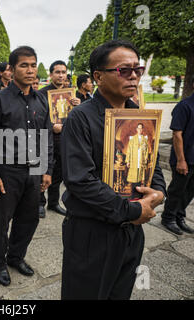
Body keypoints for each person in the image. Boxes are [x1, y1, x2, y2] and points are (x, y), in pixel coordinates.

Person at [60, 40, 166, 300]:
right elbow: (80, 180)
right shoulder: (80, 118)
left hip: (131, 230)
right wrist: (132, 210)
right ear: (98, 77)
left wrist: (158, 194)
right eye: (123, 70)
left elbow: (152, 167)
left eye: (137, 69)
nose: (133, 76)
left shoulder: (137, 115)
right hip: (92, 232)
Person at [0, 46, 53, 286]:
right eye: (24, 65)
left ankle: (16, 257)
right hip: (7, 170)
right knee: (2, 221)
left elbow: (46, 137)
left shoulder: (41, 99)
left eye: (33, 65)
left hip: (34, 170)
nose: (30, 70)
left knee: (29, 218)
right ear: (11, 70)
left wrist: (47, 169)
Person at [38, 60, 80, 218]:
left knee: (58, 173)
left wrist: (78, 105)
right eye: (58, 72)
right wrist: (51, 126)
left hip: (64, 140)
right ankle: (39, 203)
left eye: (63, 72)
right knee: (42, 171)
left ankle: (53, 202)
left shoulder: (72, 94)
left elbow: (79, 117)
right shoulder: (42, 94)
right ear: (51, 75)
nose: (61, 75)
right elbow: (37, 117)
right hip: (45, 140)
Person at [161, 77, 194, 235]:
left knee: (189, 192)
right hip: (184, 158)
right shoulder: (184, 106)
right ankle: (168, 218)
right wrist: (181, 160)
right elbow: (177, 134)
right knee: (177, 190)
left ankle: (179, 216)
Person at [126, 123, 149, 197]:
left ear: (142, 129)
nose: (140, 130)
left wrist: (145, 158)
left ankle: (139, 194)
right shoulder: (132, 139)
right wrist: (128, 161)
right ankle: (132, 194)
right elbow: (129, 150)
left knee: (140, 176)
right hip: (134, 160)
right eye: (138, 128)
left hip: (141, 160)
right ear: (136, 129)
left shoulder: (144, 139)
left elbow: (146, 150)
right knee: (134, 177)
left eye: (141, 128)